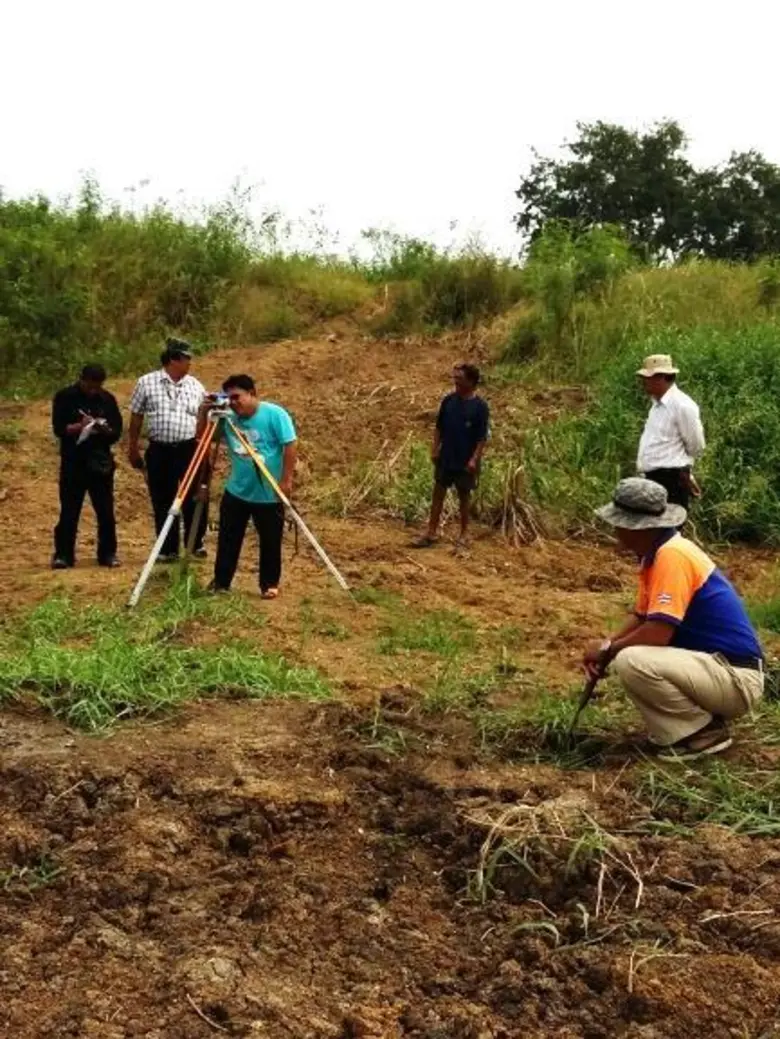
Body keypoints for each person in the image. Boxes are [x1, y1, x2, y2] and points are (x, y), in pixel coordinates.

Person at [582, 478, 764, 761]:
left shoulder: (672, 557)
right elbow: (641, 616)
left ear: (634, 526)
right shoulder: (657, 555)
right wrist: (607, 645)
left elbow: (656, 633)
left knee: (633, 660)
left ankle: (701, 733)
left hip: (735, 678)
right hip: (717, 670)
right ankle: (691, 727)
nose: (615, 530)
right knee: (626, 655)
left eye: (618, 523)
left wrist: (608, 650)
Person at [200, 374, 297, 599]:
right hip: (237, 491)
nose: (234, 403)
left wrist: (286, 480)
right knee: (228, 538)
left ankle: (269, 583)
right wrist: (204, 412)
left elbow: (290, 445)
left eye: (237, 397)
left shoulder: (275, 414)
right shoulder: (228, 418)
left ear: (252, 393)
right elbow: (203, 438)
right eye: (229, 398)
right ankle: (222, 582)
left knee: (270, 540)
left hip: (268, 491)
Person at [128, 339, 208, 561]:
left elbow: (204, 415)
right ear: (173, 359)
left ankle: (195, 543)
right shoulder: (146, 382)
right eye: (186, 358)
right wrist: (133, 446)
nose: (190, 362)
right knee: (162, 497)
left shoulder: (196, 385)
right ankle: (167, 548)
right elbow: (136, 415)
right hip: (160, 449)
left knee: (194, 497)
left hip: (188, 448)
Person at [51, 364, 122, 569]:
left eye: (97, 386)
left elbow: (116, 431)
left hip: (99, 462)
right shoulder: (65, 397)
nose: (93, 390)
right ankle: (63, 554)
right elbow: (59, 429)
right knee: (70, 510)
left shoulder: (107, 399)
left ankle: (108, 553)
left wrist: (102, 428)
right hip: (74, 461)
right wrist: (80, 427)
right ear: (81, 380)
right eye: (89, 386)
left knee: (105, 510)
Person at [413, 363, 489, 549]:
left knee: (464, 497)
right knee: (438, 493)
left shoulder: (480, 407)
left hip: (465, 459)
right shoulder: (448, 401)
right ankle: (431, 532)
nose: (455, 381)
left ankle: (464, 534)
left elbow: (481, 438)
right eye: (454, 378)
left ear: (471, 381)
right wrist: (435, 448)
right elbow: (439, 427)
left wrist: (474, 459)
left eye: (460, 378)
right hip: (446, 456)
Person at [636, 354, 705, 509]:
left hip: (672, 480)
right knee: (653, 528)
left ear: (661, 378)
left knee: (669, 529)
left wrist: (681, 468)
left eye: (647, 378)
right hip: (654, 479)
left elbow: (696, 444)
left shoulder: (682, 405)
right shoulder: (656, 405)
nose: (643, 382)